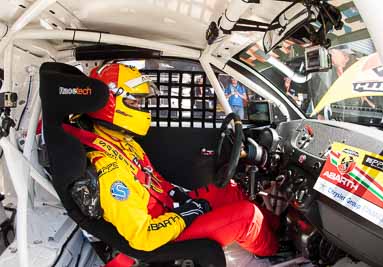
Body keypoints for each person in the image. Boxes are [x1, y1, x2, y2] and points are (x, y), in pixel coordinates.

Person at [76, 63, 279, 257]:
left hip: (168, 210)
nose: (140, 106)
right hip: (163, 237)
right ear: (112, 102)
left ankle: (277, 228)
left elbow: (151, 180)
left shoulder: (121, 141)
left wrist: (177, 194)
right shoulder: (110, 170)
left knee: (231, 191)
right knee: (248, 217)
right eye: (134, 101)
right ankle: (275, 252)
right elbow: (143, 236)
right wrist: (184, 215)